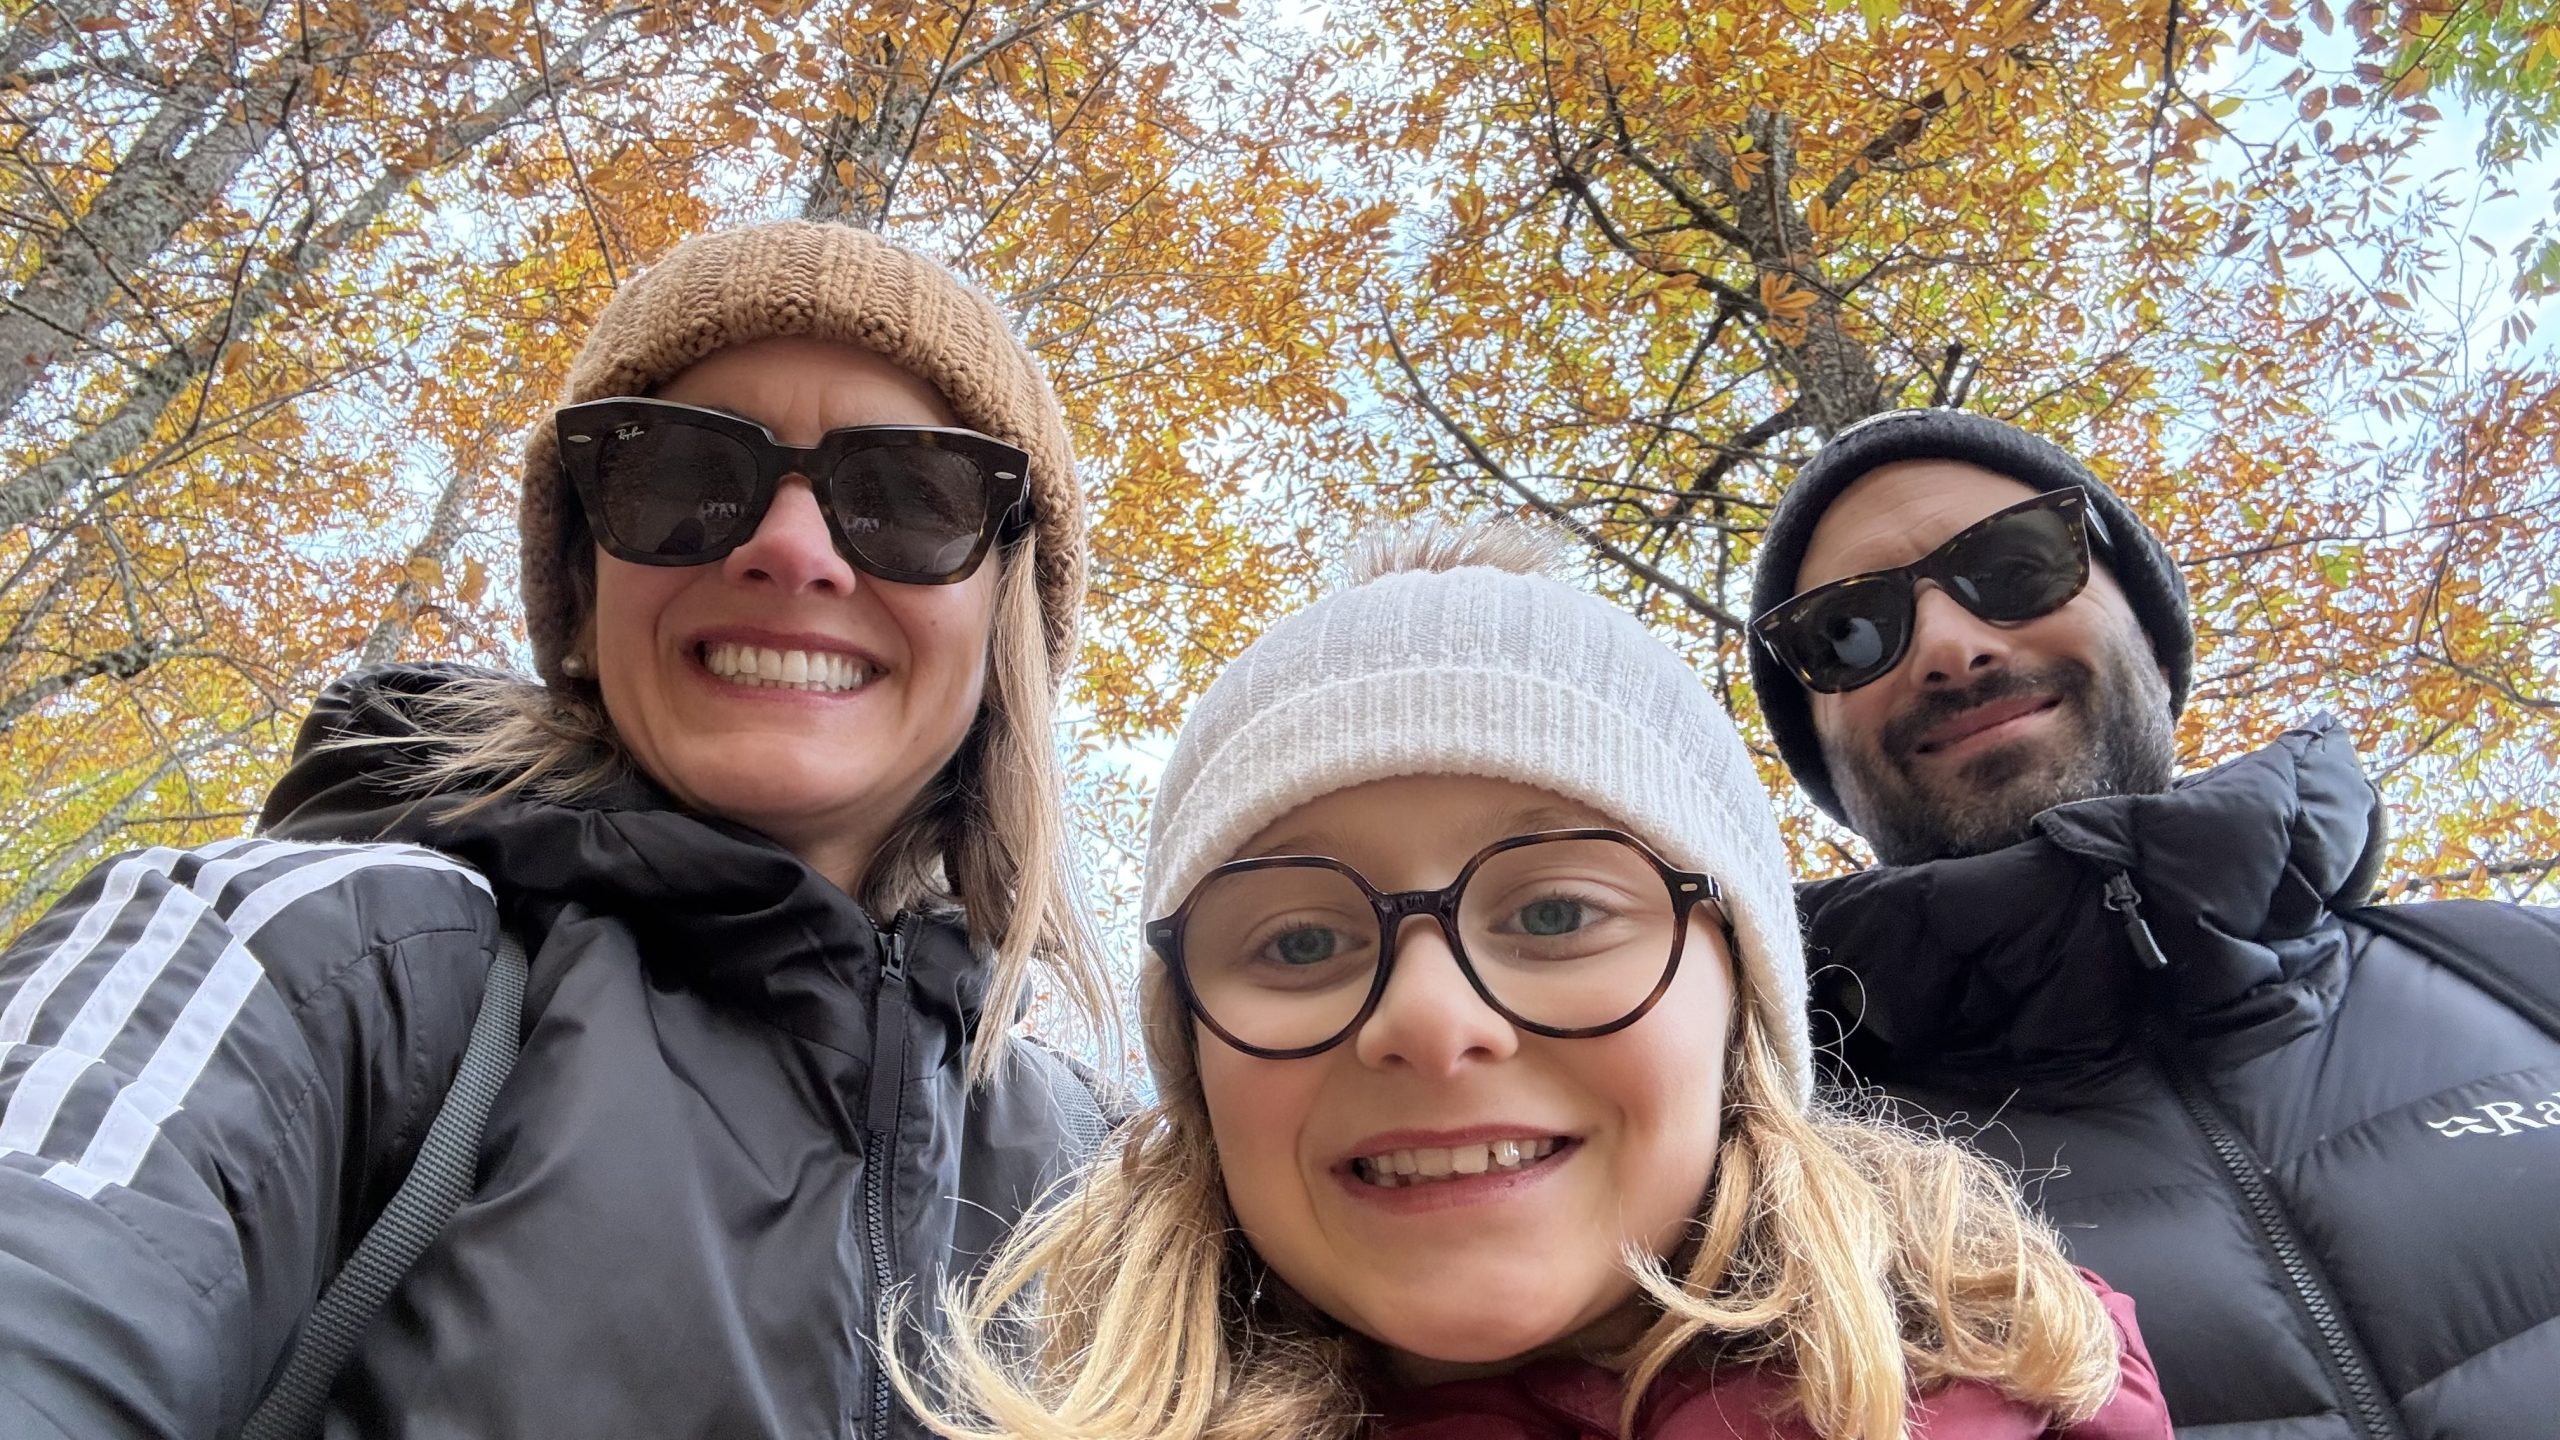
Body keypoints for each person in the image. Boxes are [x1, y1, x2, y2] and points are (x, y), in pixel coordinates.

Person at [0, 220, 1116, 1438]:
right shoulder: (319, 961)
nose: (789, 550)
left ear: (1005, 620)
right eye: (683, 475)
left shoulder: (1109, 1173)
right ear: (583, 589)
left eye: (909, 497)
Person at [905, 524, 2171, 1440]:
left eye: (1557, 911)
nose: (1432, 1020)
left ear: (1742, 1002)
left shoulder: (2039, 1386)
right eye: (1297, 941)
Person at [1745, 407, 2560, 1440]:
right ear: (1827, 763)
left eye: (2018, 560)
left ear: (2155, 640)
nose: (1950, 647)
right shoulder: (1777, 1180)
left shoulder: (2524, 966)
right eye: (1848, 631)